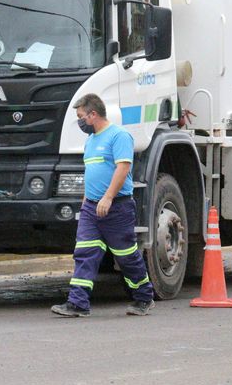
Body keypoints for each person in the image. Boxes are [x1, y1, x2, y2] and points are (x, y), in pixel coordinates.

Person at [51, 93, 155, 318]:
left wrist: (107, 198)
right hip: (91, 207)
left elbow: (123, 168)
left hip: (116, 207)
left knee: (125, 255)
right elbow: (93, 173)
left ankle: (144, 296)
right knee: (84, 252)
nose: (79, 122)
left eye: (81, 117)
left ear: (93, 114)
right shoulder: (90, 141)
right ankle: (78, 303)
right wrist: (87, 200)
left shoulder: (119, 136)